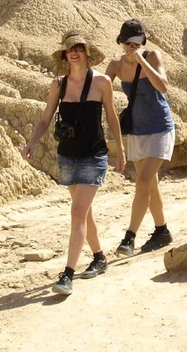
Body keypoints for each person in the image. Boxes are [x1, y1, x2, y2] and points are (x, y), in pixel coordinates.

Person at [22, 31, 125, 296]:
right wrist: (32, 141)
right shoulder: (59, 84)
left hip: (94, 155)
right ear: (65, 55)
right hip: (67, 154)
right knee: (84, 212)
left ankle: (67, 274)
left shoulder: (102, 82)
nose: (74, 53)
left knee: (78, 212)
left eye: (78, 48)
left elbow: (112, 118)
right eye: (69, 50)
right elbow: (46, 119)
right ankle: (100, 257)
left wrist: (121, 150)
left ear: (87, 52)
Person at [106, 19, 176, 257]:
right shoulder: (115, 65)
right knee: (150, 184)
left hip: (160, 127)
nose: (131, 46)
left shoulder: (153, 56)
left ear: (143, 41)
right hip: (137, 129)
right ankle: (162, 230)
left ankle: (129, 237)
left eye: (136, 42)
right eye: (127, 42)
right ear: (121, 42)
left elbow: (163, 86)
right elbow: (101, 89)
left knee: (144, 181)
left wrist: (142, 61)